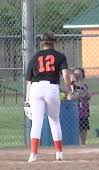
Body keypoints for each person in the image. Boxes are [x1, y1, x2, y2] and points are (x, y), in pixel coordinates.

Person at [25, 32, 71, 162]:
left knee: (37, 122)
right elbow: (65, 74)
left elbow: (29, 80)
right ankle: (59, 153)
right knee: (54, 120)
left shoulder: (35, 56)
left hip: (35, 88)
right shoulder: (59, 56)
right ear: (54, 42)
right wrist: (68, 87)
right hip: (51, 87)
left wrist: (27, 99)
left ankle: (33, 154)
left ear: (42, 42)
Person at [68, 68, 91, 145]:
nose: (77, 76)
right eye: (76, 74)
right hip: (73, 113)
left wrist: (81, 95)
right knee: (73, 133)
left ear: (83, 76)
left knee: (83, 131)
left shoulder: (84, 86)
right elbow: (70, 97)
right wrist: (81, 95)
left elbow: (88, 96)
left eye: (79, 75)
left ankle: (83, 145)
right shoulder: (71, 85)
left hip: (83, 112)